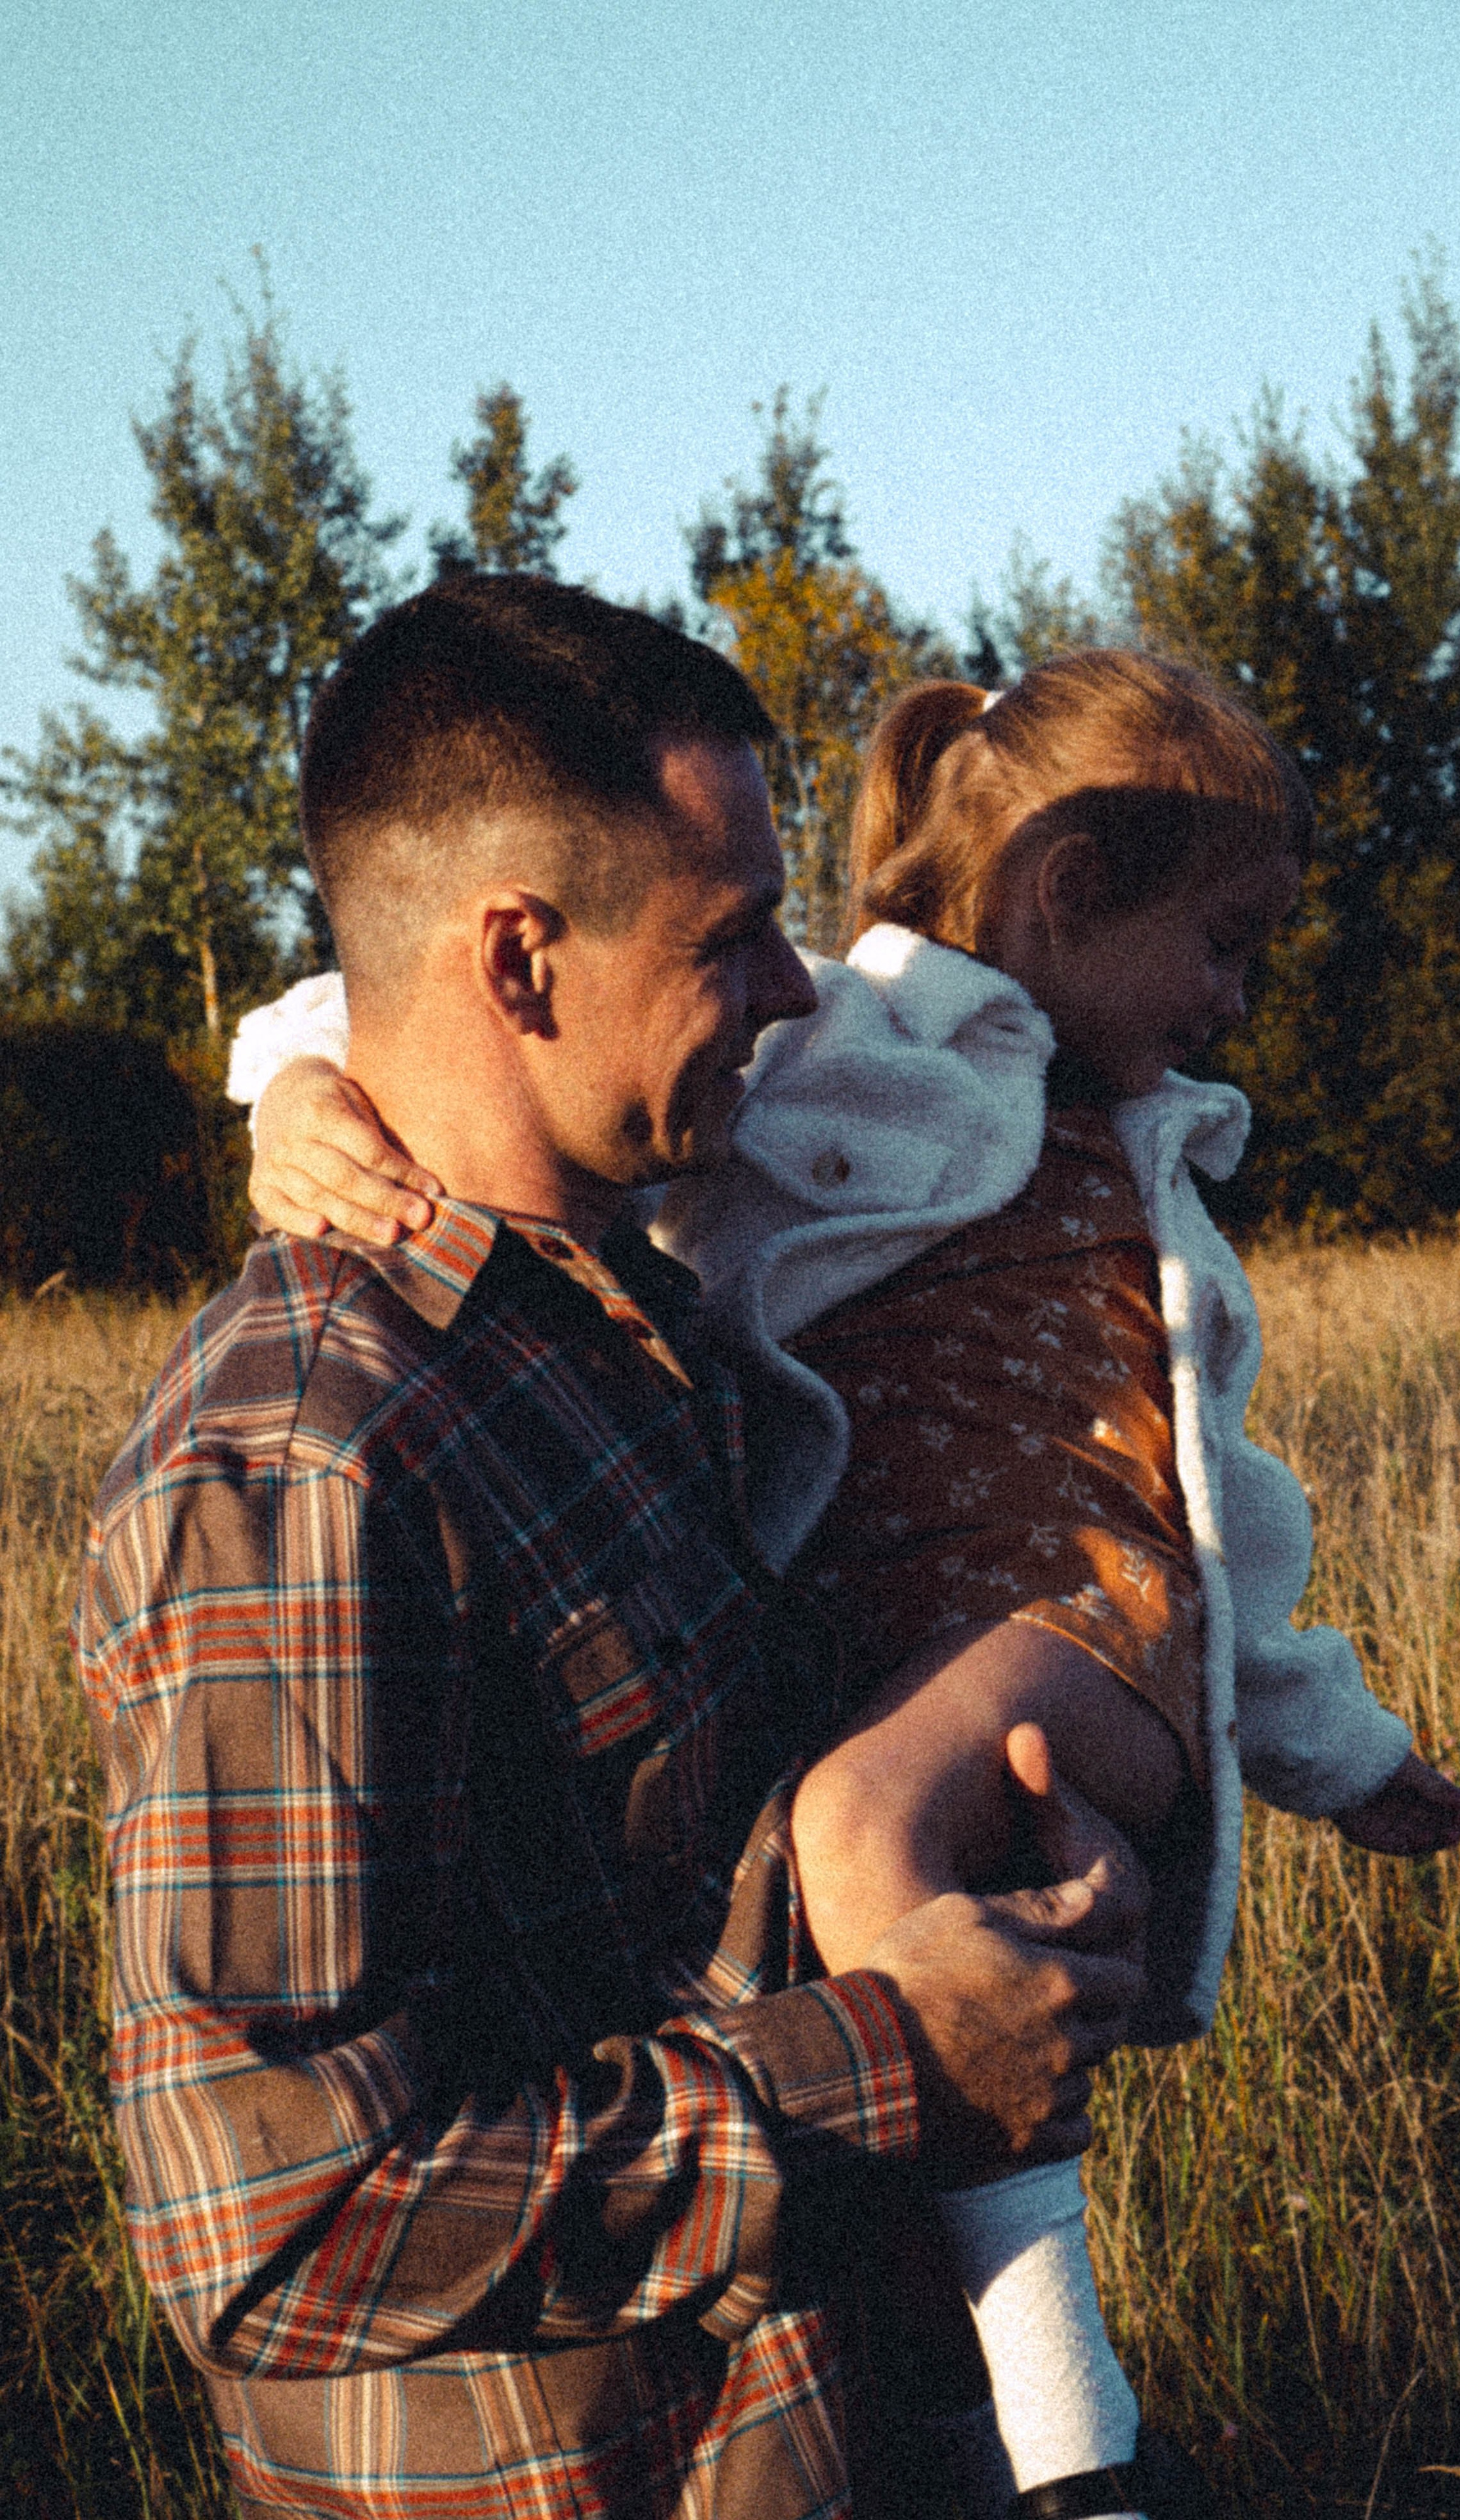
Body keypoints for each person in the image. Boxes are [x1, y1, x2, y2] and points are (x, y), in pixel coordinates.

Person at [238, 646, 1460, 2520]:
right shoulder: (843, 1042)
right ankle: (983, 2427)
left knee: (851, 1817)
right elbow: (404, 968)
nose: (1239, 1001)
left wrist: (1339, 1747)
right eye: (1226, 942)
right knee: (842, 1903)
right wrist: (289, 1093)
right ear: (1069, 894)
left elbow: (1224, 1500)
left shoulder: (1145, 1169)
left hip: (1091, 1615)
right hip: (899, 1654)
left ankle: (1081, 2445)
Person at [76, 577, 1155, 2520]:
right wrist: (898, 2053)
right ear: (518, 958)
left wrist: (998, 1885)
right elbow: (278, 2227)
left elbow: (692, 1892)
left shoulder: (630, 1317)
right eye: (734, 936)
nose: (803, 993)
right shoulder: (302, 1465)